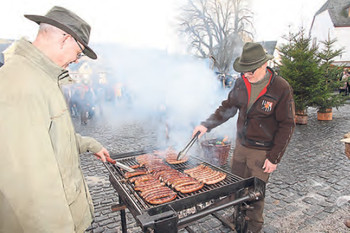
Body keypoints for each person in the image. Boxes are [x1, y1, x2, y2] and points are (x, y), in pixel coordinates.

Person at [0, 6, 113, 233]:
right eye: (79, 52)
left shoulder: (42, 77)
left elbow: (52, 137)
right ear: (66, 39)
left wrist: (91, 144)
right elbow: (32, 190)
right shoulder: (21, 83)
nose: (77, 60)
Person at [193, 42, 296, 233]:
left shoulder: (281, 88)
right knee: (236, 187)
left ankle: (253, 227)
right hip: (241, 146)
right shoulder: (241, 83)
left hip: (262, 151)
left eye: (251, 71)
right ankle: (237, 216)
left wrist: (274, 157)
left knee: (255, 194)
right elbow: (227, 108)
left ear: (264, 64)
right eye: (244, 71)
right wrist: (206, 124)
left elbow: (287, 124)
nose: (246, 75)